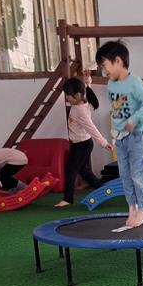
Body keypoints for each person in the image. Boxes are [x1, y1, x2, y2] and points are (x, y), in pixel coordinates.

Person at [95, 40, 143, 231]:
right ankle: (132, 207)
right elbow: (116, 110)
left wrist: (135, 119)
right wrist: (115, 130)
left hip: (136, 136)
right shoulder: (110, 85)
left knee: (138, 174)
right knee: (125, 175)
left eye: (104, 65)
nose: (103, 70)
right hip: (119, 137)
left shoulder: (135, 83)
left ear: (118, 61)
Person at [57, 77, 110, 208]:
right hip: (80, 144)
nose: (66, 98)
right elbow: (86, 93)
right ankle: (100, 188)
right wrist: (88, 83)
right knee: (83, 170)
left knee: (70, 170)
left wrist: (103, 142)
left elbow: (91, 128)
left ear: (77, 95)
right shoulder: (82, 102)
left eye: (68, 96)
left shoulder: (79, 111)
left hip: (82, 145)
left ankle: (68, 199)